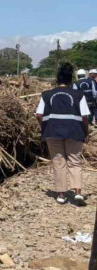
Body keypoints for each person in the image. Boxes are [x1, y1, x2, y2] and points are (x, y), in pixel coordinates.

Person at [37, 62, 90, 205]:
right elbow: (85, 116)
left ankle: (61, 195)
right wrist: (85, 132)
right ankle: (78, 192)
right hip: (75, 132)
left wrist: (45, 128)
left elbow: (39, 114)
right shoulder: (79, 94)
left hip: (52, 132)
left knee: (58, 162)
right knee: (75, 161)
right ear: (70, 80)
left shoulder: (47, 95)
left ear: (57, 79)